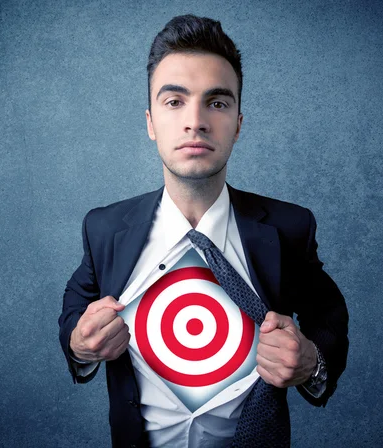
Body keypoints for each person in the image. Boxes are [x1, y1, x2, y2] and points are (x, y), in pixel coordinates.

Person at [58, 14, 349, 448]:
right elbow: (75, 307)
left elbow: (328, 314)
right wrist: (80, 344)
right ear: (151, 122)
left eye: (217, 103)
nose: (195, 121)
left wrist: (311, 361)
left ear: (238, 123)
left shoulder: (289, 227)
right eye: (174, 102)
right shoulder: (103, 228)